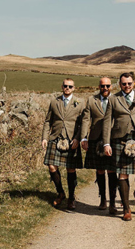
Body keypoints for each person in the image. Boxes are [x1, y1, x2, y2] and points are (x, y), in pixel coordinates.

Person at [103, 72, 135, 221]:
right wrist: (107, 143)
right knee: (123, 174)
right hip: (120, 140)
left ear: (134, 84)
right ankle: (126, 209)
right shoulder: (113, 99)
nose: (127, 86)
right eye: (124, 83)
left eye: (129, 83)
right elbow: (107, 122)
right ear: (120, 84)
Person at [41, 78, 84, 210]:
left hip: (72, 139)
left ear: (74, 88)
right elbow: (48, 121)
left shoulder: (80, 103)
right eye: (65, 86)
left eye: (70, 86)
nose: (67, 88)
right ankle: (60, 193)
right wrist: (44, 137)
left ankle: (71, 198)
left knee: (71, 168)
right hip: (55, 137)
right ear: (62, 86)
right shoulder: (55, 101)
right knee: (52, 166)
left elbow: (83, 123)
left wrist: (78, 138)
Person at [80, 77, 119, 213]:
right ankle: (103, 199)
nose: (105, 88)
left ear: (111, 87)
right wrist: (83, 138)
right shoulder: (92, 100)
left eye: (108, 86)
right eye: (103, 86)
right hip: (96, 139)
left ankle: (113, 202)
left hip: (112, 139)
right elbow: (86, 119)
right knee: (100, 170)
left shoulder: (117, 99)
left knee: (112, 170)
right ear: (99, 86)